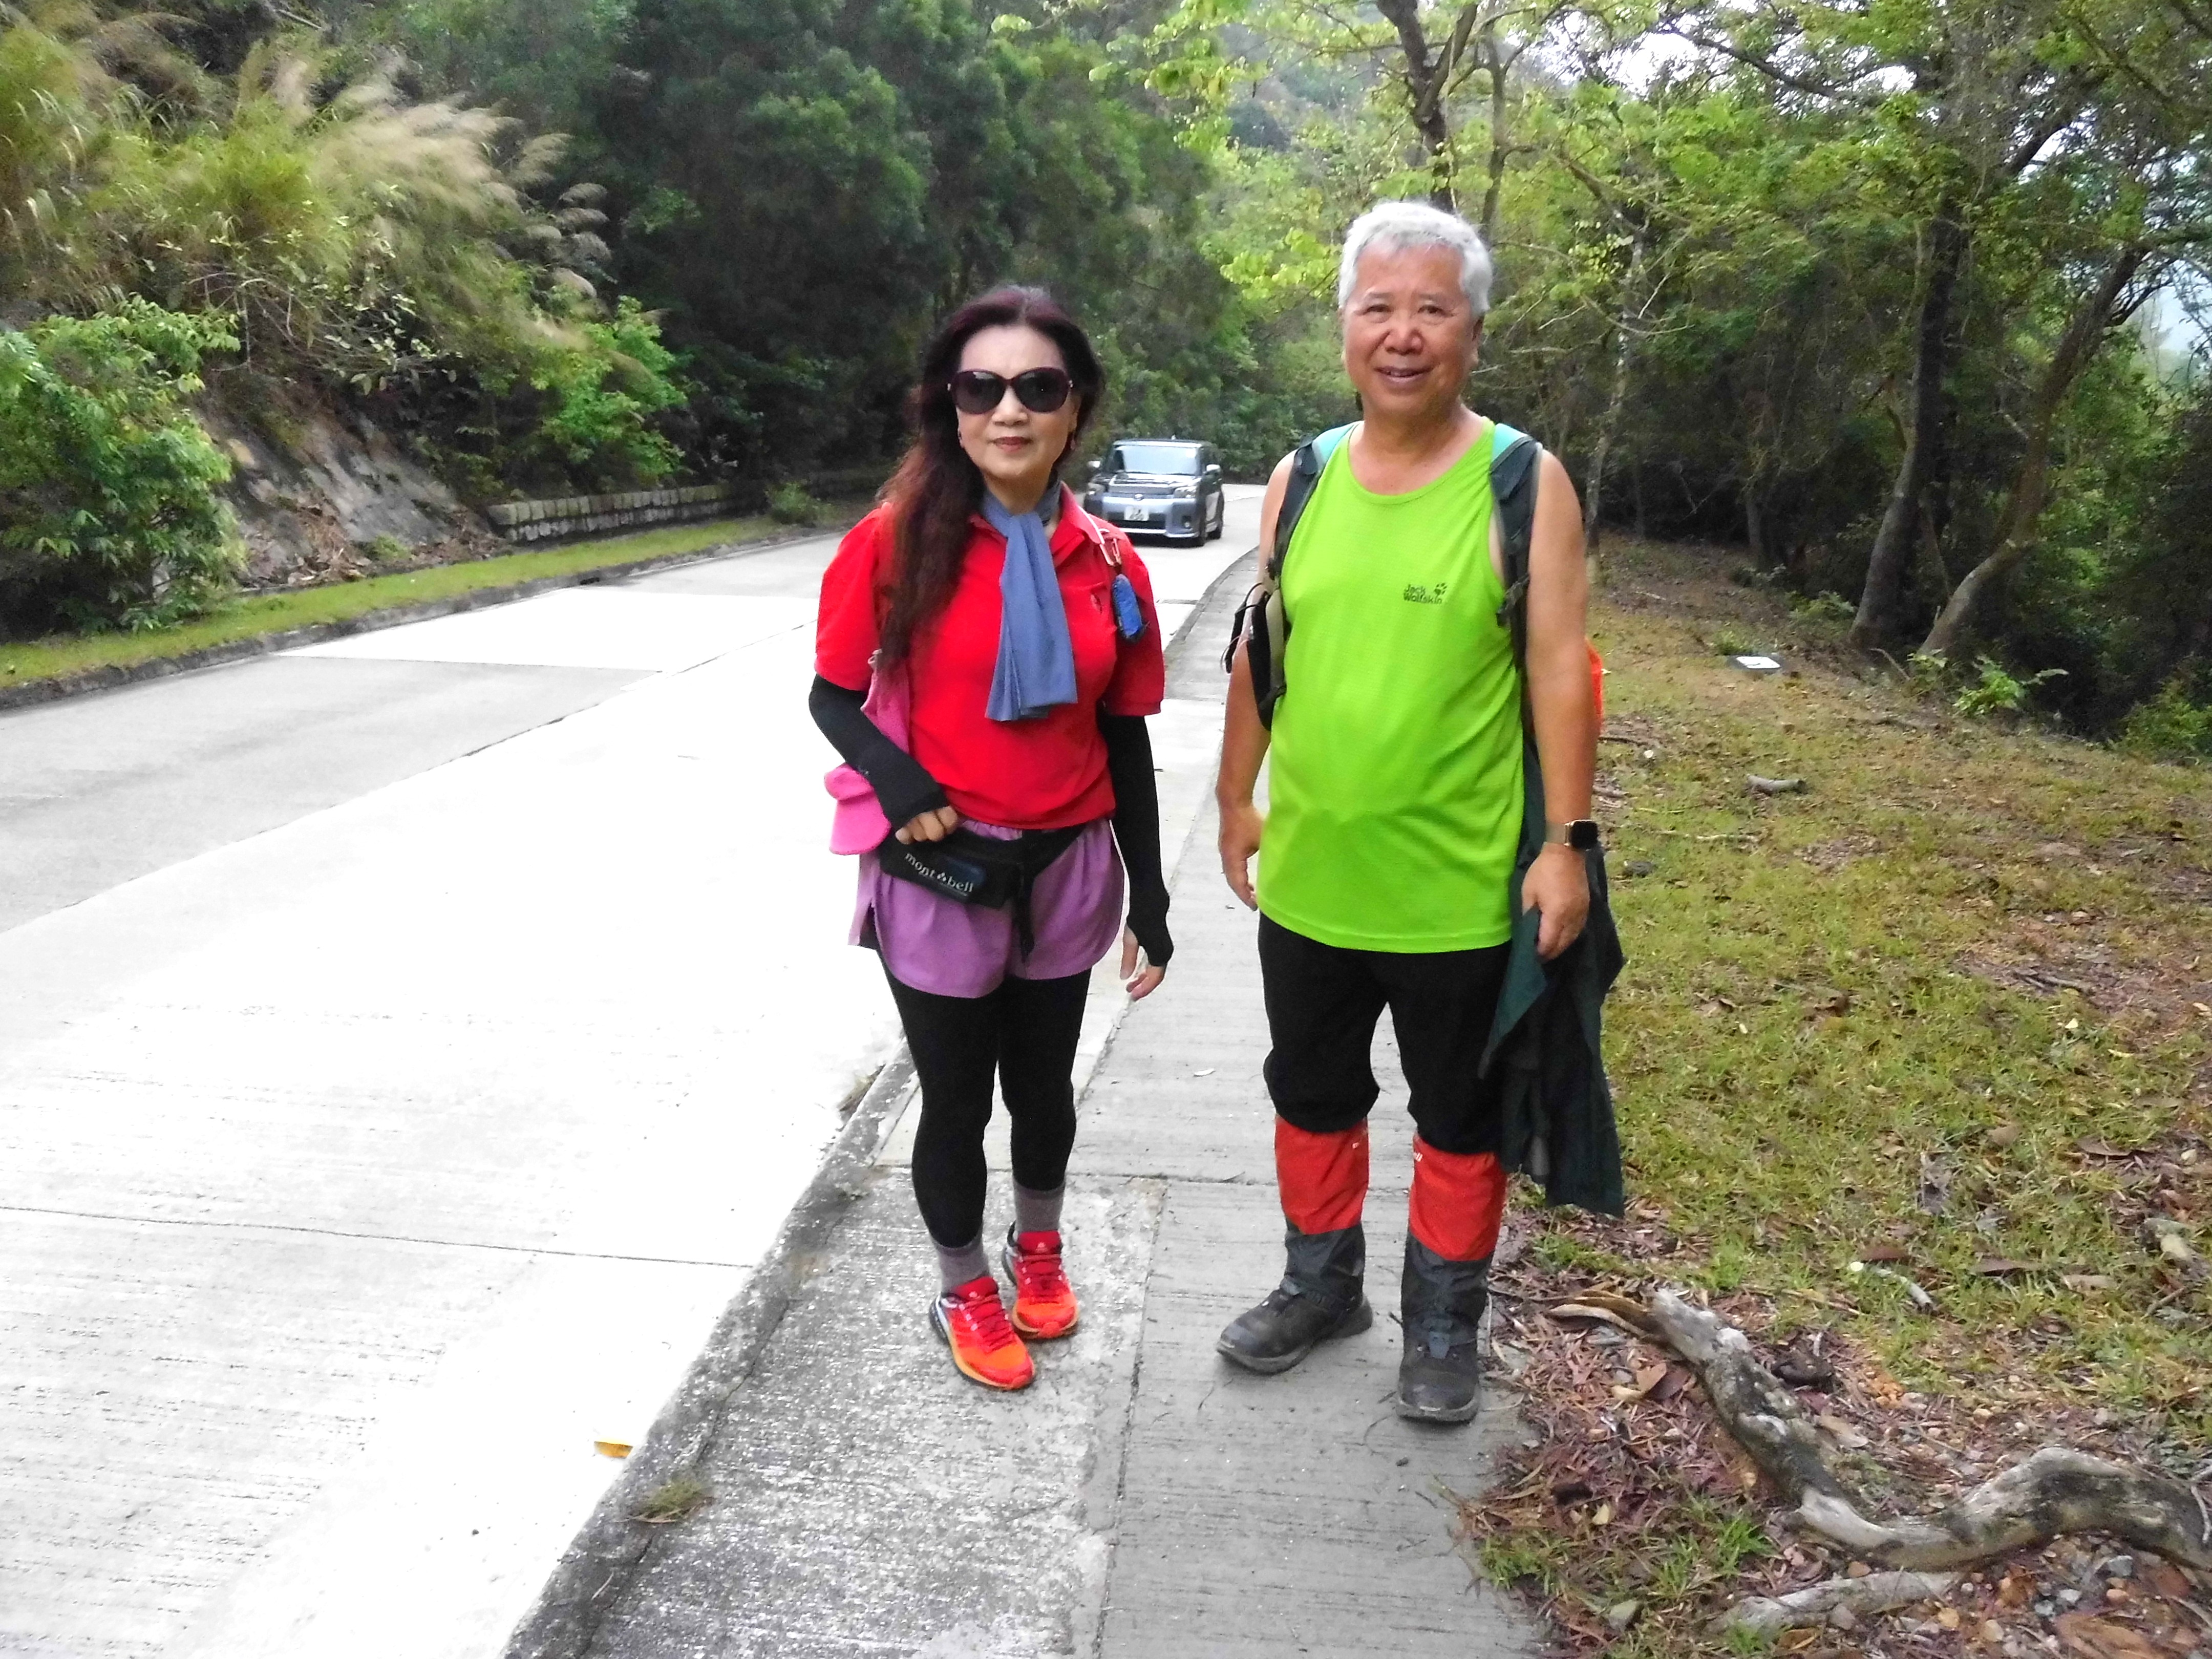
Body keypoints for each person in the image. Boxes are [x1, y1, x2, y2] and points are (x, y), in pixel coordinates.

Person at [1213, 201, 1600, 1422]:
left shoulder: (1521, 482)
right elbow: (1265, 650)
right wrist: (1233, 797)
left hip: (1458, 886)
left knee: (1460, 1117)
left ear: (1473, 333)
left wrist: (1566, 847)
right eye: (1378, 307)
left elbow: (1562, 671)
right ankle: (1322, 1288)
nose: (1403, 333)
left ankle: (1442, 1324)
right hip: (1314, 876)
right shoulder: (1304, 477)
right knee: (1310, 1094)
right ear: (1344, 327)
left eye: (1433, 309)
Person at [810, 286, 1173, 1393]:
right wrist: (899, 780)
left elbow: (1123, 734)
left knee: (1046, 1088)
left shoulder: (1110, 562)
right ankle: (962, 1285)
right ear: (950, 405)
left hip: (1068, 866)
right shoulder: (893, 544)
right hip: (946, 870)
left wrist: (1152, 897)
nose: (1009, 409)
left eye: (1037, 387)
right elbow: (832, 694)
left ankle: (1038, 1245)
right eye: (983, 387)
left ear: (1076, 409)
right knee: (958, 1099)